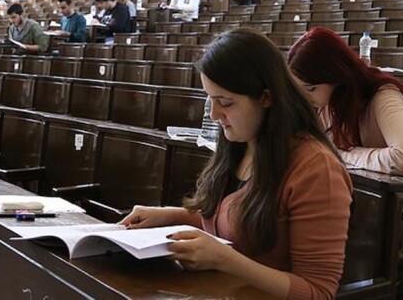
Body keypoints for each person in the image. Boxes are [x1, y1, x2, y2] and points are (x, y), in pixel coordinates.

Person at [120, 28, 352, 299]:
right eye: (210, 99)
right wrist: (173, 214)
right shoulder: (241, 142)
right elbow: (237, 222)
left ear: (267, 97)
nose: (214, 114)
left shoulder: (316, 169)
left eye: (226, 103)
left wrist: (226, 260)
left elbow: (318, 291)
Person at [288, 27, 403, 225]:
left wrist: (342, 154)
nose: (305, 98)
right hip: (369, 202)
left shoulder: (383, 95)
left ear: (336, 76)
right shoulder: (326, 103)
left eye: (311, 88)